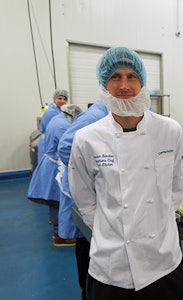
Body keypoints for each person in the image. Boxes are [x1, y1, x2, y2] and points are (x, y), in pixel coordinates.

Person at [68, 46, 183, 300]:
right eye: (115, 77)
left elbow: (176, 187)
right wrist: (112, 230)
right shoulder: (87, 139)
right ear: (104, 83)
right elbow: (84, 199)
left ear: (142, 82)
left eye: (131, 76)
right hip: (111, 265)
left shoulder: (169, 130)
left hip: (163, 260)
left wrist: (156, 223)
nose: (124, 85)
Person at [57, 99, 108, 300]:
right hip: (92, 195)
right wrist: (94, 174)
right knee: (89, 244)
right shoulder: (94, 117)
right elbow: (65, 148)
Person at [28, 104, 82, 246]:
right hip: (54, 165)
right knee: (58, 200)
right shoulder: (63, 126)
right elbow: (66, 147)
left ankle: (56, 228)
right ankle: (60, 235)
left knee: (53, 199)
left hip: (49, 162)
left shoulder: (56, 119)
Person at [37, 89, 69, 162]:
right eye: (59, 98)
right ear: (54, 99)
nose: (62, 101)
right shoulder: (51, 112)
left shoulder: (60, 110)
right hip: (48, 141)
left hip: (51, 141)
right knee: (48, 165)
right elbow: (54, 129)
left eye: (65, 99)